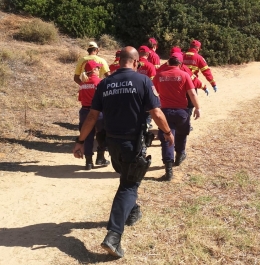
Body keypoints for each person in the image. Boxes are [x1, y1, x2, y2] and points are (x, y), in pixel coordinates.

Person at [72, 46, 174, 258]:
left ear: (120, 62)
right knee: (129, 185)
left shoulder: (105, 83)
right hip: (132, 143)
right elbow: (156, 111)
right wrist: (166, 132)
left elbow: (92, 116)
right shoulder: (143, 81)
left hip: (111, 143)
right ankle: (113, 236)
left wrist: (81, 141)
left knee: (126, 176)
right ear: (136, 62)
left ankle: (133, 210)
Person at [153, 52, 201, 181]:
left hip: (165, 112)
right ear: (180, 64)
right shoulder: (185, 75)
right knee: (181, 134)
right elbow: (192, 94)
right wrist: (197, 108)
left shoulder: (159, 75)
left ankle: (168, 170)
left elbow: (153, 93)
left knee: (167, 139)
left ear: (168, 62)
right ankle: (180, 155)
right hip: (181, 112)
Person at [77, 60, 110, 170]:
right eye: (98, 68)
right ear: (94, 70)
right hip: (97, 112)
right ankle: (100, 157)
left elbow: (81, 99)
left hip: (84, 112)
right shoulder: (100, 82)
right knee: (102, 134)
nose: (99, 69)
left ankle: (88, 162)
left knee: (87, 137)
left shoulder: (82, 84)